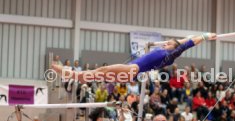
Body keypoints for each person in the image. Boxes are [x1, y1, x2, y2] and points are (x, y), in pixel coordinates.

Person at [52, 33, 216, 83]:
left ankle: (76, 75)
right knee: (99, 74)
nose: (164, 45)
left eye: (167, 44)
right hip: (131, 72)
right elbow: (184, 39)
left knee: (103, 70)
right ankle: (76, 76)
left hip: (133, 69)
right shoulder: (165, 51)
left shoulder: (170, 55)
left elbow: (187, 43)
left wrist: (206, 36)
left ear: (173, 47)